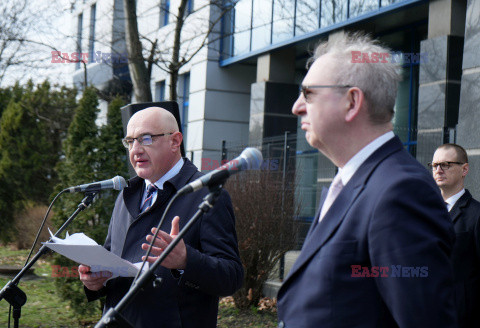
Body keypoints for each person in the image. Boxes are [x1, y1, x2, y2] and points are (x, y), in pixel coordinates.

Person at [277, 33, 457, 327]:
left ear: (351, 101)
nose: (297, 107)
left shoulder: (400, 192)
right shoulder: (350, 184)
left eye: (308, 94)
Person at [78, 107, 243, 328]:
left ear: (175, 141)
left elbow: (231, 277)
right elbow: (113, 256)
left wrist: (186, 260)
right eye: (130, 141)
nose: (135, 150)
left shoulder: (207, 194)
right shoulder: (127, 194)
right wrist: (95, 280)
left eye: (145, 139)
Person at [430, 143, 480, 327]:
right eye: (435, 165)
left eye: (446, 164)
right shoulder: (425, 213)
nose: (438, 170)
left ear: (464, 169)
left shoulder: (477, 215)